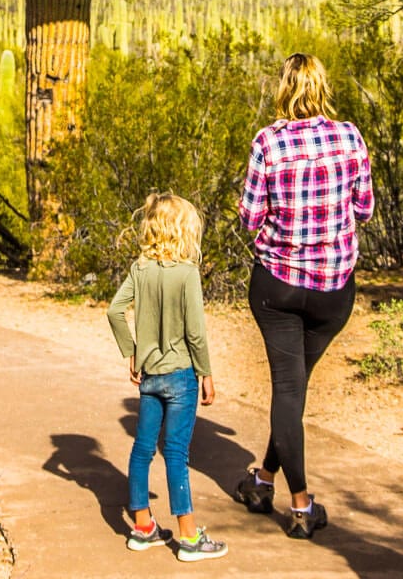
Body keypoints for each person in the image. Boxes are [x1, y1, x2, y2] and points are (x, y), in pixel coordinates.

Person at [235, 53, 374, 540]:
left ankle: (298, 504)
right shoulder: (350, 136)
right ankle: (265, 483)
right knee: (292, 392)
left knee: (288, 392)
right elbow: (365, 207)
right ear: (321, 86)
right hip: (334, 287)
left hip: (277, 284)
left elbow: (249, 218)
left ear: (284, 88)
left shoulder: (267, 142)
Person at [107, 193, 228, 563]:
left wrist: (131, 352)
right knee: (176, 452)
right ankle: (189, 538)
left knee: (142, 450)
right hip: (181, 376)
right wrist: (206, 373)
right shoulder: (187, 272)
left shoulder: (139, 269)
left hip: (150, 377)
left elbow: (114, 311)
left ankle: (142, 527)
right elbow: (195, 333)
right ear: (184, 230)